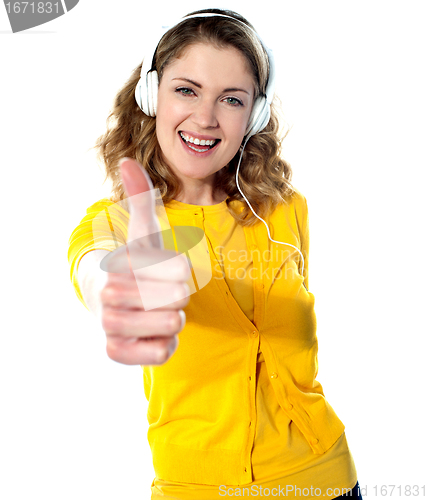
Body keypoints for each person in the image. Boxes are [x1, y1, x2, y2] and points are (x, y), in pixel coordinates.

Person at [68, 8, 363, 500]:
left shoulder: (283, 210)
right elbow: (94, 267)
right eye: (186, 90)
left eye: (231, 99)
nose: (205, 118)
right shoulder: (120, 220)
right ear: (151, 95)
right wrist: (118, 293)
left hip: (326, 479)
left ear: (256, 114)